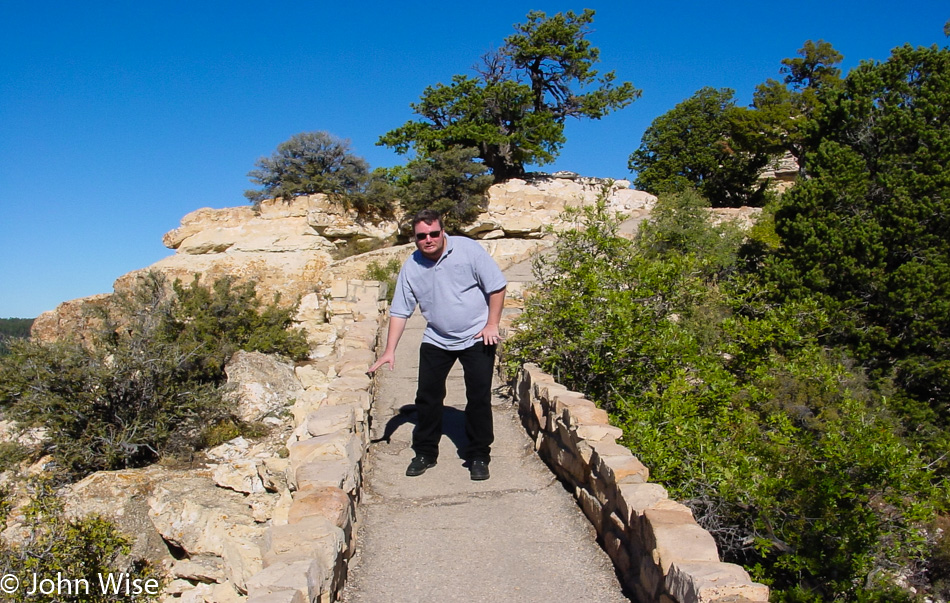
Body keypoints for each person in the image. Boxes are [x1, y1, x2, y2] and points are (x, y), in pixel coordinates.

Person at [367, 209, 507, 481]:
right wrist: (389, 350)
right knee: (427, 397)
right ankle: (425, 453)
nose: (428, 239)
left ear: (443, 232)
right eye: (422, 236)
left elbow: (497, 286)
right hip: (437, 338)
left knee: (478, 398)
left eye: (433, 233)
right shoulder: (412, 265)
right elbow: (400, 311)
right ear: (415, 238)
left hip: (477, 335)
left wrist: (492, 324)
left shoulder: (468, 250)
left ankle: (478, 455)